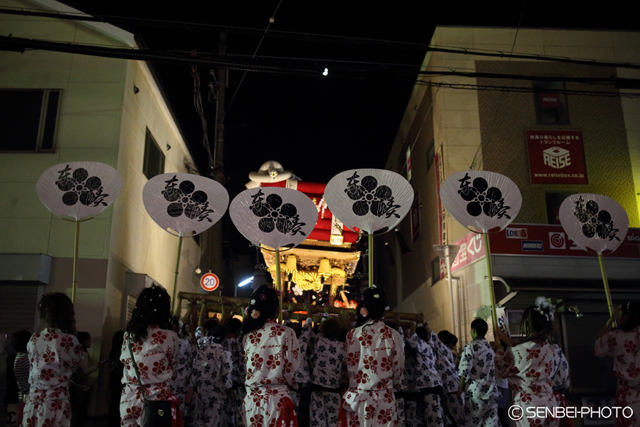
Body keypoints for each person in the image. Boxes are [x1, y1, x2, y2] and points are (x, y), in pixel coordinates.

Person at [339, 287, 405, 427]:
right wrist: (396, 384)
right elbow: (398, 367)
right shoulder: (394, 335)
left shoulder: (352, 334)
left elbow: (347, 365)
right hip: (384, 397)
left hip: (357, 397)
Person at [493, 297, 561, 427]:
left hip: (529, 406)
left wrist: (499, 349)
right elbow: (525, 350)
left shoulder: (517, 352)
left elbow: (501, 368)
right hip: (551, 403)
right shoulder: (553, 351)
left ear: (527, 325)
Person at [120, 285, 181, 426]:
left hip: (129, 399)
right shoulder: (169, 336)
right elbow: (174, 370)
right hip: (156, 401)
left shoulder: (128, 336)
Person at [22, 292, 85, 427]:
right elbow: (77, 362)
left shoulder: (34, 339)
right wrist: (73, 333)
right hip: (55, 401)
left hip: (33, 401)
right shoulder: (68, 340)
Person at [242, 285, 300, 426]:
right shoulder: (286, 333)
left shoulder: (247, 336)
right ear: (276, 310)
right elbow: (290, 368)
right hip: (277, 402)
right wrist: (295, 386)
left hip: (251, 403)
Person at [595, 301, 640, 427]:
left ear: (625, 317)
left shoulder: (616, 336)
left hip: (627, 394)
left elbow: (599, 348)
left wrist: (610, 321)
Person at [186, 322, 232, 427]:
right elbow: (226, 377)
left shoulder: (202, 349)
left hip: (199, 391)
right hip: (215, 394)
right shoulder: (225, 354)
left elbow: (195, 370)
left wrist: (191, 387)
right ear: (225, 338)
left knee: (198, 422)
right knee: (212, 422)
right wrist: (230, 391)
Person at [457, 318, 500, 427]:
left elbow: (465, 369)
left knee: (473, 422)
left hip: (476, 392)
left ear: (474, 330)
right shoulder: (490, 348)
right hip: (491, 390)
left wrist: (460, 388)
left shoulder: (470, 346)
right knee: (491, 423)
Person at [309, 317, 347, 427]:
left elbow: (317, 331)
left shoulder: (319, 340)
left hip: (317, 390)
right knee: (334, 423)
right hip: (333, 390)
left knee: (317, 423)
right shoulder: (342, 347)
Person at [12, 330, 31, 426]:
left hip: (24, 397)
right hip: (27, 398)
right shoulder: (24, 358)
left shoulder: (20, 356)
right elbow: (37, 374)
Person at [108, 331, 125, 427]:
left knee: (114, 402)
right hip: (121, 379)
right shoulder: (122, 351)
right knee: (119, 403)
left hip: (113, 379)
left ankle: (112, 422)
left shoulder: (112, 351)